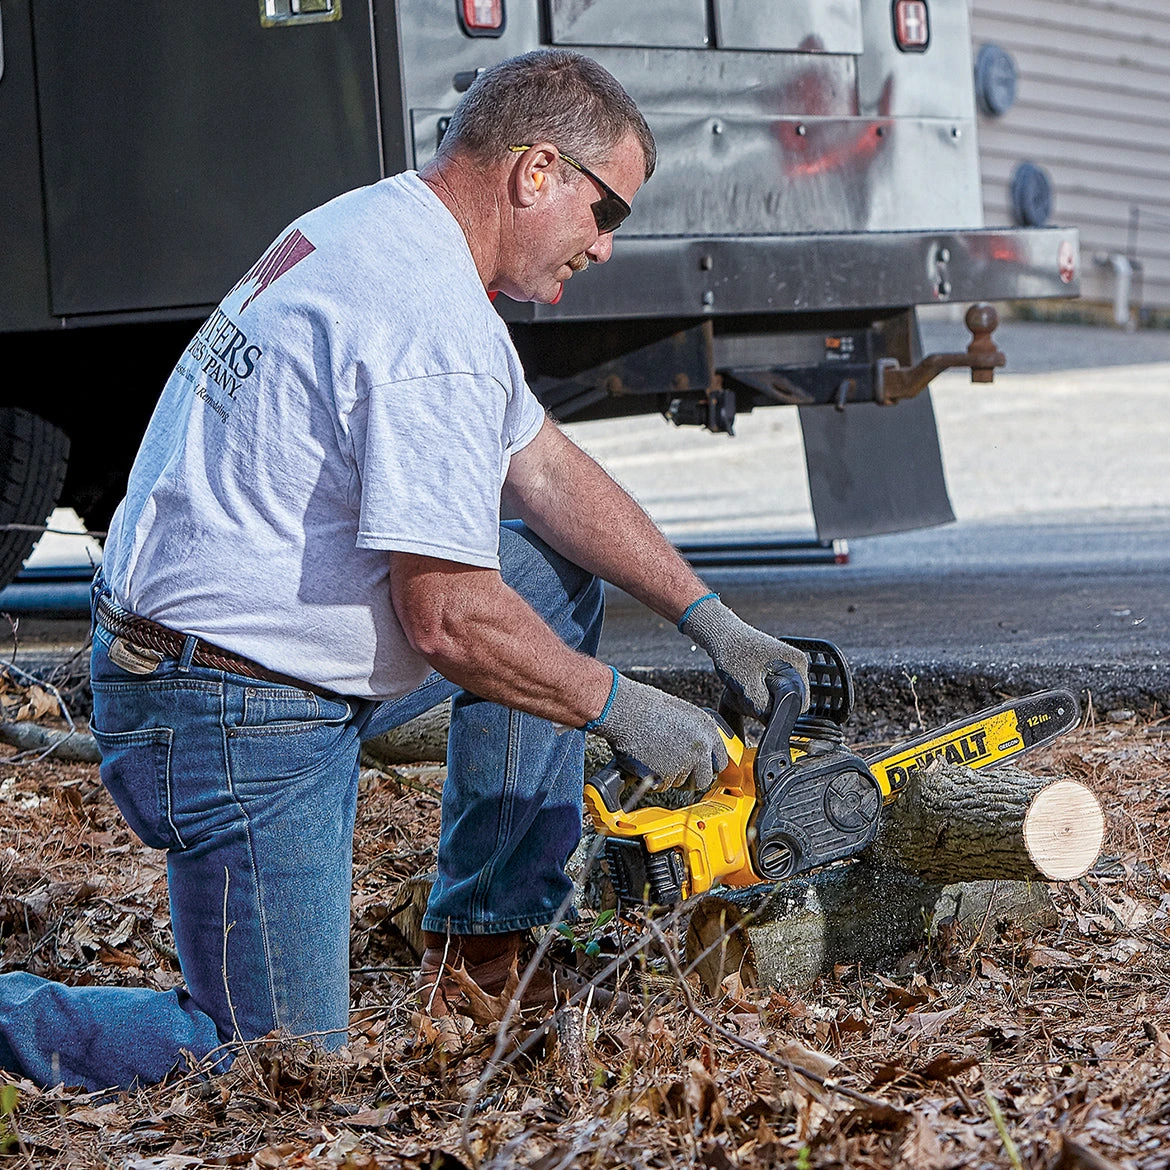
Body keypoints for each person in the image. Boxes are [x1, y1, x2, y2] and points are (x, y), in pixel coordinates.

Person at [0, 49, 808, 1092]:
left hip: (248, 647)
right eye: (605, 212)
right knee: (269, 1059)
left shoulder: (389, 222)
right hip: (223, 702)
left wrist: (709, 618)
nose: (605, 247)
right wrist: (625, 709)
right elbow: (452, 624)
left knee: (551, 577)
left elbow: (546, 468)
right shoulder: (427, 320)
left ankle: (486, 946)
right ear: (536, 172)